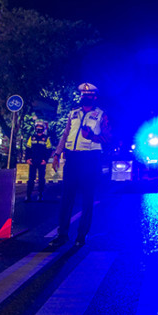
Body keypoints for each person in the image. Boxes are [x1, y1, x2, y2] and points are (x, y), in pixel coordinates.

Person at [48, 83, 111, 248]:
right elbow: (65, 134)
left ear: (94, 97)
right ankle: (62, 235)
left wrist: (91, 136)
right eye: (83, 94)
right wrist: (56, 154)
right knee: (66, 197)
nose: (85, 97)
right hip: (72, 159)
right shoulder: (73, 113)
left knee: (87, 198)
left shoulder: (101, 115)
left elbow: (107, 138)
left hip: (90, 159)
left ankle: (81, 236)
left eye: (88, 95)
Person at [25, 122, 51, 201]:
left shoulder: (46, 138)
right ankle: (28, 196)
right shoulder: (32, 137)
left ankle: (40, 195)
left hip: (41, 162)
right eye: (37, 128)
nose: (39, 129)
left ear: (43, 129)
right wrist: (27, 158)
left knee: (41, 179)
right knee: (31, 179)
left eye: (40, 128)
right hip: (32, 161)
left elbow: (49, 150)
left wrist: (45, 160)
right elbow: (28, 149)